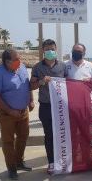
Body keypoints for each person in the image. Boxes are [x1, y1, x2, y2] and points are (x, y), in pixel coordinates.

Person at [0, 49, 34, 180]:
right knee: (8, 141)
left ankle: (19, 161)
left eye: (19, 59)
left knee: (23, 137)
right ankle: (11, 168)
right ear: (7, 62)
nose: (19, 61)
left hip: (23, 112)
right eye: (16, 59)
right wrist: (10, 111)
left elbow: (28, 86)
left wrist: (30, 100)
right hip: (6, 114)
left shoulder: (22, 67)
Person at [30, 39, 68, 174]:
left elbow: (69, 85)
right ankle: (51, 162)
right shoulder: (37, 67)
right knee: (49, 135)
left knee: (63, 134)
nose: (50, 52)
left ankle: (63, 160)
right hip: (46, 106)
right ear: (43, 51)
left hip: (61, 107)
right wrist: (41, 81)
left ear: (56, 49)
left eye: (52, 49)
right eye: (47, 49)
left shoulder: (63, 66)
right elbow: (31, 86)